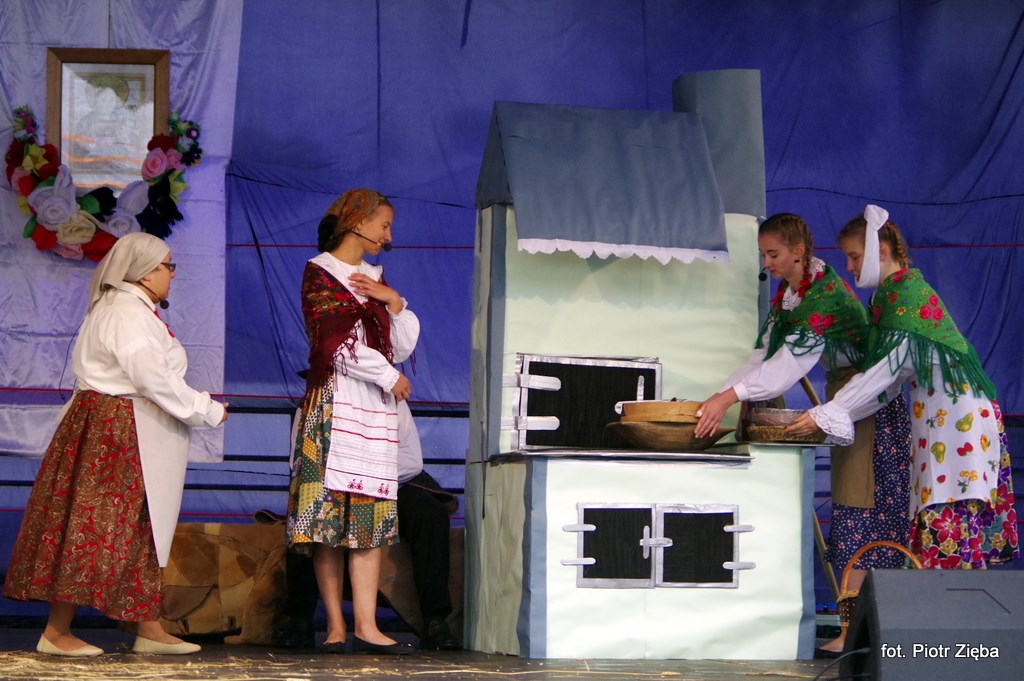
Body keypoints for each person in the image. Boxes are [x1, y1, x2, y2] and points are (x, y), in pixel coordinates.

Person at [693, 213, 912, 654]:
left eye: (773, 254)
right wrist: (718, 397)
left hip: (868, 406)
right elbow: (763, 358)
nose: (767, 263)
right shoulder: (792, 296)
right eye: (763, 255)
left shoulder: (824, 297)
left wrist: (728, 398)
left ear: (798, 252)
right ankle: (855, 630)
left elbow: (783, 370)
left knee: (862, 512)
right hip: (846, 401)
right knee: (852, 512)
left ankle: (858, 632)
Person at [3, 232, 228, 656]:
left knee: (139, 522)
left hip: (124, 423)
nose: (173, 274)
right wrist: (206, 409)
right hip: (116, 428)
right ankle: (56, 632)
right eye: (168, 266)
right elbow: (152, 377)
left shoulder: (132, 309)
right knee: (90, 523)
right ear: (144, 272)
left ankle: (148, 626)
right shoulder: (126, 312)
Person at [789, 205, 1019, 573]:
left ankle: (953, 607)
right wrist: (837, 409)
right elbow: (890, 381)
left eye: (854, 256)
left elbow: (886, 373)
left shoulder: (905, 296)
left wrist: (829, 412)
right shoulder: (891, 295)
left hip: (957, 424)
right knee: (940, 515)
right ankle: (947, 605)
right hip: (942, 421)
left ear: (880, 251)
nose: (849, 267)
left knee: (949, 517)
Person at [286, 188, 419, 655]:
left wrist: (394, 301)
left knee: (369, 512)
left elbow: (397, 347)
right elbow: (333, 343)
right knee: (328, 518)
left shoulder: (376, 278)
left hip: (372, 409)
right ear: (358, 221)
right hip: (335, 402)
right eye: (384, 225)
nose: (389, 236)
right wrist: (387, 375)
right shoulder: (320, 271)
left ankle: (366, 624)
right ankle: (335, 625)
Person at [274, 400, 461, 651]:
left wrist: (367, 477)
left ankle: (435, 619)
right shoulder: (314, 399)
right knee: (306, 515)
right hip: (332, 486)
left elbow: (411, 462)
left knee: (430, 514)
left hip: (390, 483)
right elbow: (300, 462)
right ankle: (299, 619)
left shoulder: (391, 399)